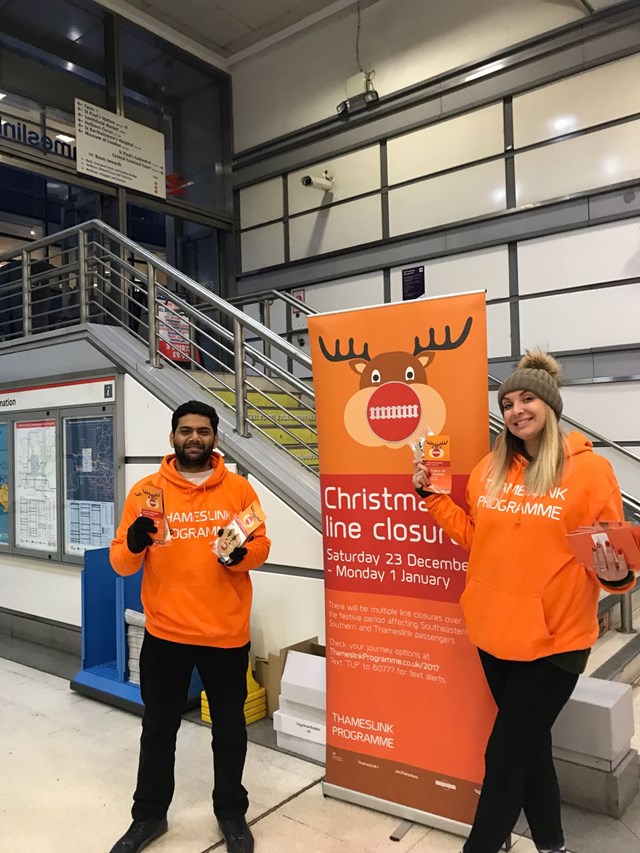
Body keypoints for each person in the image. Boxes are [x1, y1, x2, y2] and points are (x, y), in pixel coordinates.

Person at [411, 351, 636, 853]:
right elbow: (477, 539)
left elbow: (609, 556)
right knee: (531, 749)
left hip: (555, 642)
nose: (516, 410)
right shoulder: (489, 468)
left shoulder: (592, 471)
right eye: (508, 402)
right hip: (492, 634)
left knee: (506, 754)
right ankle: (552, 844)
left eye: (527, 399)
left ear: (551, 406)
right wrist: (433, 499)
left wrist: (619, 578)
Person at [109, 400, 270, 853]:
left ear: (215, 438)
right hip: (165, 635)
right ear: (172, 437)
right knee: (158, 729)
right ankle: (148, 817)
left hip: (225, 634)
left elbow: (261, 546)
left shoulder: (238, 490)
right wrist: (136, 543)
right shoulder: (145, 492)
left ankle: (231, 813)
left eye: (202, 431)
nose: (193, 438)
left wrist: (242, 557)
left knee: (230, 731)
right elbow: (120, 562)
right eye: (185, 430)